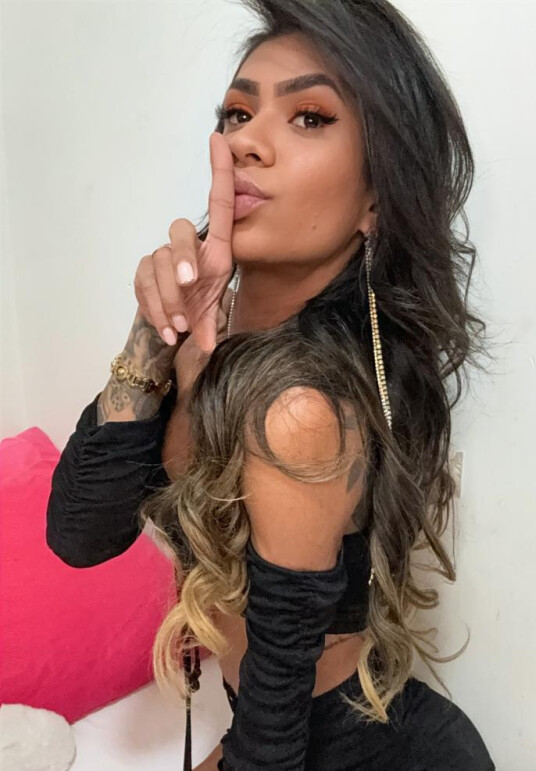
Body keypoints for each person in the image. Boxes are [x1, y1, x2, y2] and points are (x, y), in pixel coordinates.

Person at [46, 1, 497, 768]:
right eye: (237, 112)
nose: (247, 141)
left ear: (375, 198)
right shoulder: (211, 350)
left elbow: (276, 728)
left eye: (309, 117)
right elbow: (80, 535)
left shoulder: (299, 411)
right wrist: (153, 334)